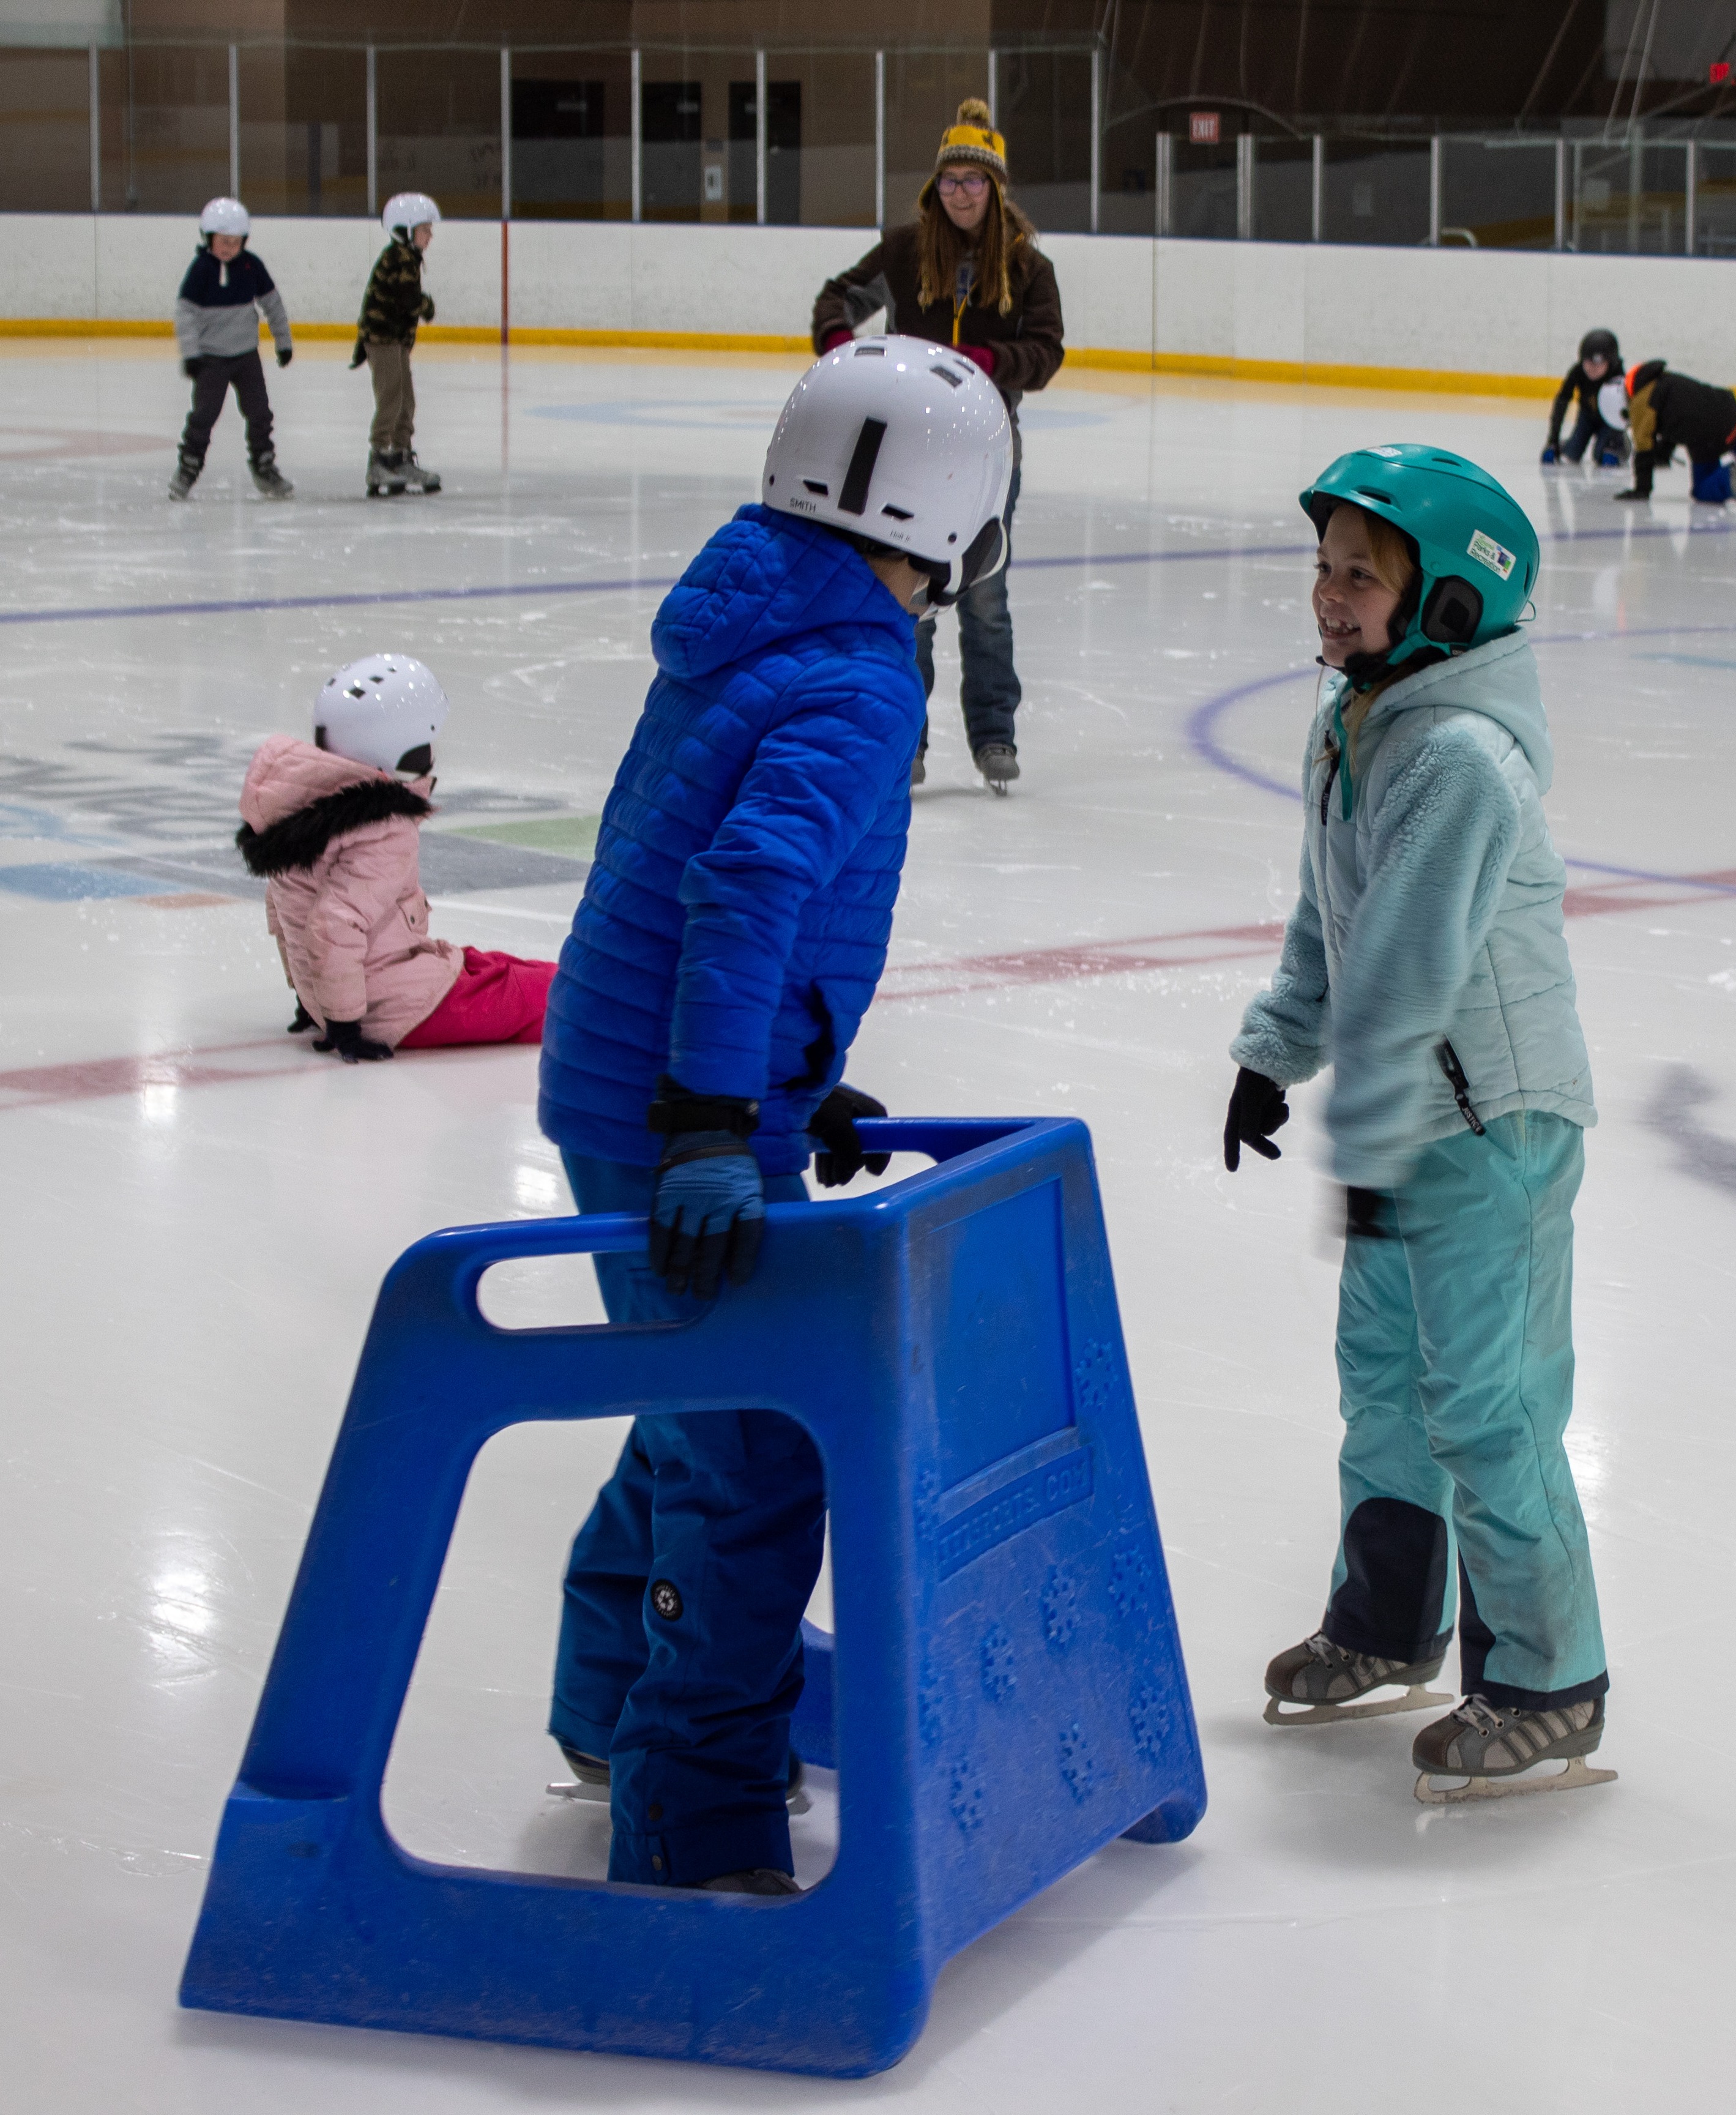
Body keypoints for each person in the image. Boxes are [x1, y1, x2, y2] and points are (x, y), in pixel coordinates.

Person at [535, 337, 1014, 1894]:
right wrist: (708, 1114)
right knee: (755, 1456)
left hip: (646, 1069)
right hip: (672, 1099)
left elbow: (677, 862)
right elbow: (742, 889)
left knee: (701, 1400)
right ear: (959, 518)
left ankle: (609, 1696)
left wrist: (776, 1078)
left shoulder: (752, 609)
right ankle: (693, 1816)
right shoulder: (863, 673)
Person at [1222, 443, 1612, 1800]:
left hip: (1492, 1125)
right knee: (1384, 1390)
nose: (1329, 596)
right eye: (1324, 567)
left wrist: (1365, 1132)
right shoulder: (1363, 722)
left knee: (1487, 1407)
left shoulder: (1459, 756)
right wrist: (1274, 1052)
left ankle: (1548, 1678)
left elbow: (1402, 967)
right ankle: (1388, 1625)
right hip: (1410, 1120)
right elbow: (1333, 914)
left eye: (1362, 575)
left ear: (1447, 602)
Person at [811, 98, 1065, 794]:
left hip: (987, 449)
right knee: (905, 595)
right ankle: (905, 738)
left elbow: (1046, 353)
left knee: (985, 595)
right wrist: (842, 349)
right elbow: (838, 300)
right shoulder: (901, 251)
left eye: (974, 181)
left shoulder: (1026, 268)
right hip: (909, 451)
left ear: (995, 189)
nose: (961, 193)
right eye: (950, 180)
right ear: (936, 187)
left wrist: (990, 361)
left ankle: (994, 735)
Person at [236, 655, 555, 1058]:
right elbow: (334, 923)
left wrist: (310, 994)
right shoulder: (381, 826)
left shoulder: (302, 810)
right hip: (393, 1008)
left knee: (510, 970)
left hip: (376, 982)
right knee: (564, 1001)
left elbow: (285, 909)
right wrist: (343, 1022)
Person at [170, 197, 293, 502]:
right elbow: (185, 313)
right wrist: (191, 353)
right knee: (204, 415)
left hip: (246, 357)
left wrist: (284, 341)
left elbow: (273, 305)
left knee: (260, 413)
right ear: (208, 239)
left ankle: (264, 467)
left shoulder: (252, 266)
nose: (228, 248)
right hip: (211, 359)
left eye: (235, 243)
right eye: (222, 242)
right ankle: (188, 467)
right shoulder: (201, 269)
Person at [352, 192, 442, 499]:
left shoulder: (408, 258)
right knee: (392, 397)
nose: (430, 235)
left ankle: (401, 456)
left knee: (406, 399)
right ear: (405, 230)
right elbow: (408, 300)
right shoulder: (400, 258)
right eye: (424, 229)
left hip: (395, 340)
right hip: (383, 339)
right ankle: (379, 457)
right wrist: (427, 306)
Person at [1614, 360, 1736, 506]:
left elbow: (1644, 446)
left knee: (1701, 490)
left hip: (1705, 436)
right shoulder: (1665, 380)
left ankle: (1726, 480)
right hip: (1729, 413)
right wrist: (1663, 454)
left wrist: (1642, 489)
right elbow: (1674, 418)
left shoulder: (1640, 403)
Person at [1541, 328, 1625, 469]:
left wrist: (1614, 445)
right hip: (1586, 416)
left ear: (1611, 361)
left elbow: (1623, 414)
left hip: (1609, 421)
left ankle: (1622, 445)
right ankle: (1568, 444)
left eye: (1598, 363)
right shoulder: (1577, 372)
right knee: (1572, 453)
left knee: (1600, 456)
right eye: (1587, 362)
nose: (1592, 368)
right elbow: (1562, 401)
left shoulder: (1618, 377)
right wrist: (1553, 441)